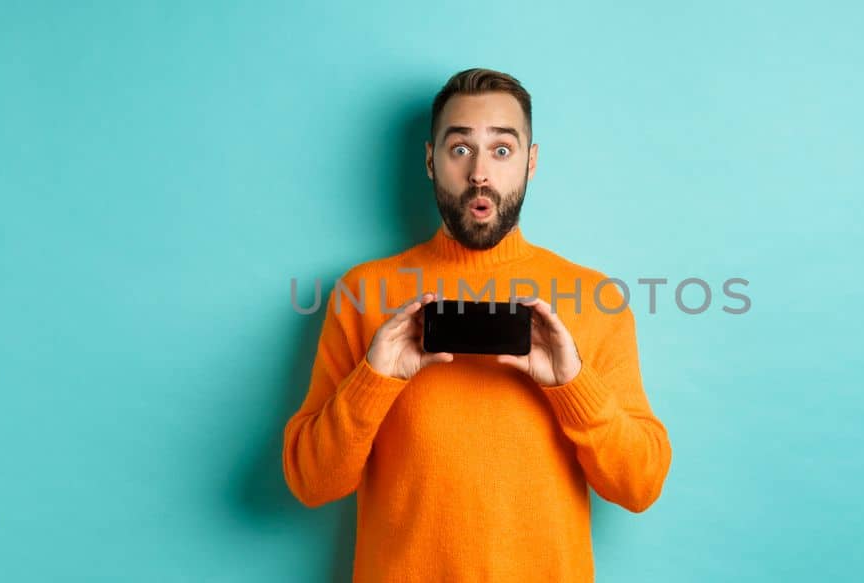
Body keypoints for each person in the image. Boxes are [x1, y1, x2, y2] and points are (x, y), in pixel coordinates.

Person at [282, 67, 672, 582]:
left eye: (503, 150)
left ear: (531, 163)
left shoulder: (597, 299)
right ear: (430, 160)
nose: (480, 173)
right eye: (460, 148)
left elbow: (639, 486)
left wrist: (573, 384)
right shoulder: (361, 292)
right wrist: (374, 380)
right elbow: (312, 483)